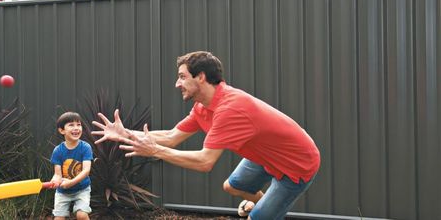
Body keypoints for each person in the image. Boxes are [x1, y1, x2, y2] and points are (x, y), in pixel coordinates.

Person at [92, 51, 320, 220]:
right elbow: (172, 136)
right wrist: (125, 134)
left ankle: (267, 211)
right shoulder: (203, 106)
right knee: (232, 186)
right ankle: (267, 205)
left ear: (200, 77)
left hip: (296, 165)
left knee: (257, 218)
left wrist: (154, 151)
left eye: (182, 77)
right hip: (265, 156)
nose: (177, 83)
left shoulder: (230, 109)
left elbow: (205, 162)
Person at [49, 111, 93, 220]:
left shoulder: (85, 147)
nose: (76, 128)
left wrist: (71, 183)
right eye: (71, 125)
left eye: (79, 124)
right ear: (62, 130)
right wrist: (55, 180)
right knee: (59, 218)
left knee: (81, 215)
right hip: (63, 192)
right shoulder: (58, 151)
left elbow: (86, 171)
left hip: (82, 189)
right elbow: (57, 174)